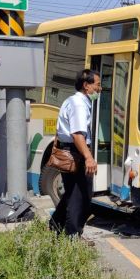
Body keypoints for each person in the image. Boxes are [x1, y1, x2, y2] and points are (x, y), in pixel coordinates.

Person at [49, 69, 101, 237]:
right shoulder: (79, 104)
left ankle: (55, 226)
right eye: (98, 85)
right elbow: (77, 134)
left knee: (72, 195)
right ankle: (72, 236)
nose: (100, 89)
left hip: (72, 152)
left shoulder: (73, 101)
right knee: (81, 199)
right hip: (76, 153)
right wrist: (89, 158)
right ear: (86, 85)